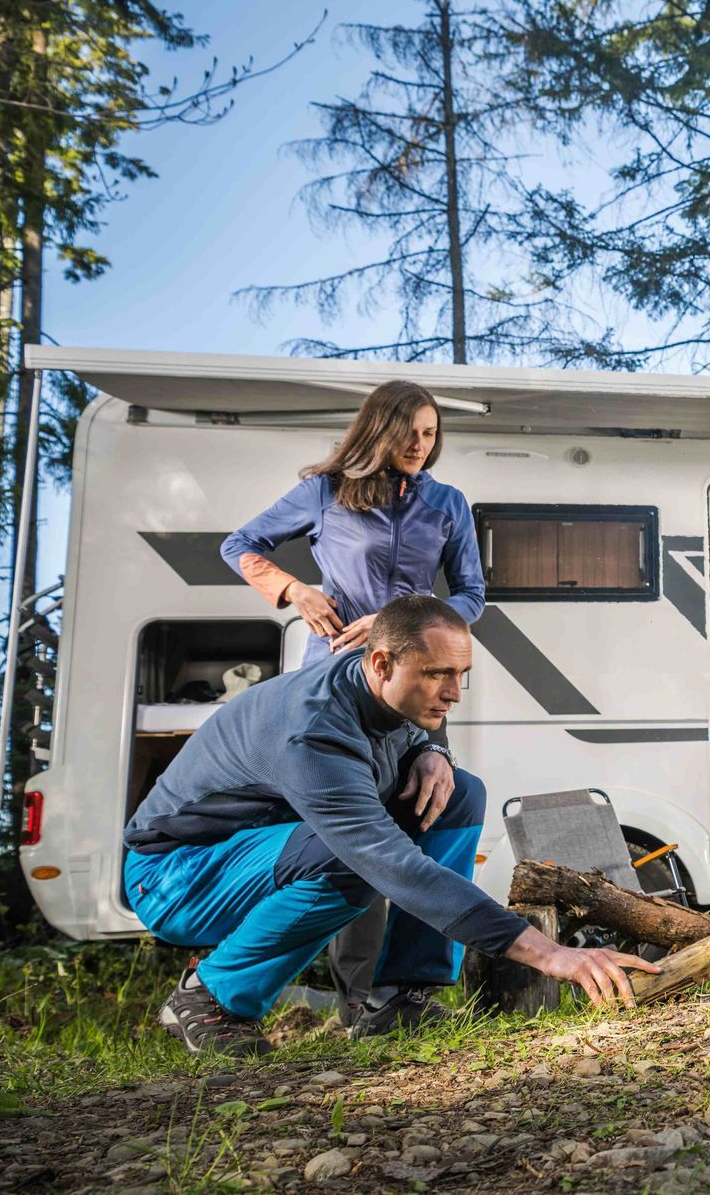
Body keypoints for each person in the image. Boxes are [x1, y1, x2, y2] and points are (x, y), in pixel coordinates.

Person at [124, 596, 656, 1056]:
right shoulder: (313, 733)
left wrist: (428, 748)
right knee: (356, 858)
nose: (454, 694)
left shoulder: (376, 692)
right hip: (177, 875)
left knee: (458, 793)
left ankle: (398, 997)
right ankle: (213, 996)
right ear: (380, 663)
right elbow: (393, 866)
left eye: (460, 675)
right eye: (436, 676)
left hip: (259, 853)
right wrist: (551, 954)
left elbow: (404, 747)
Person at [220, 380, 488, 1028]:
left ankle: (409, 990)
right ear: (379, 430)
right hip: (343, 690)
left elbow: (473, 595)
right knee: (356, 835)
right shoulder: (325, 493)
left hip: (420, 690)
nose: (421, 445)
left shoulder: (447, 504)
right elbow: (240, 545)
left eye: (430, 433)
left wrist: (397, 620)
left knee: (438, 812)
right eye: (409, 432)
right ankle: (361, 1001)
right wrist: (294, 592)